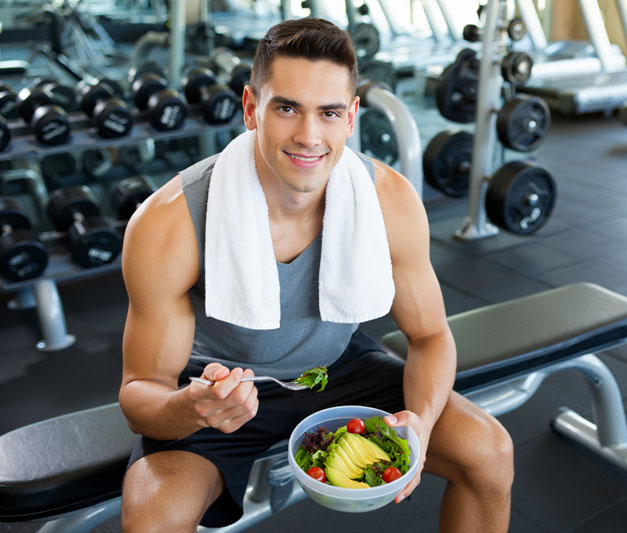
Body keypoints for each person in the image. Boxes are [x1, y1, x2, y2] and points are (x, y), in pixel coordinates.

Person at [119, 18, 513, 532]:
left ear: (350, 118)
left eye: (328, 113)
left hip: (334, 367)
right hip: (219, 387)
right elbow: (138, 393)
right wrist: (193, 407)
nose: (309, 136)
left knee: (489, 450)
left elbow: (431, 335)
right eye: (287, 108)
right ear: (250, 108)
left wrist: (420, 422)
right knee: (152, 518)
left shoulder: (388, 200)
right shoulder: (169, 222)